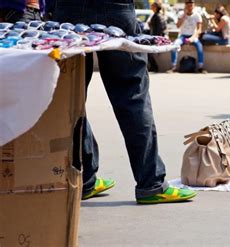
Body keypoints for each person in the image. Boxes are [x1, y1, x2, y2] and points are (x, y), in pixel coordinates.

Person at [51, 0, 197, 204]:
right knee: (132, 95)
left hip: (69, 10)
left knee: (70, 99)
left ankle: (84, 177)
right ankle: (150, 183)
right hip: (115, 9)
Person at [168, 0, 206, 73]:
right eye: (188, 5)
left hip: (193, 36)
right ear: (185, 6)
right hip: (183, 36)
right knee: (174, 45)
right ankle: (173, 67)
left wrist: (192, 38)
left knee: (200, 46)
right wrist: (184, 15)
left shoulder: (197, 15)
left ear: (194, 6)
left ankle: (201, 67)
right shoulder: (181, 14)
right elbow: (178, 26)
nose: (190, 7)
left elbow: (199, 30)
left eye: (191, 5)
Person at [147, 1, 167, 72]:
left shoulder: (158, 16)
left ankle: (154, 67)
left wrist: (155, 39)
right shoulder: (156, 15)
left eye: (152, 5)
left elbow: (160, 29)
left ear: (155, 7)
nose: (151, 6)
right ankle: (153, 67)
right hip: (155, 36)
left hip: (157, 38)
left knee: (148, 51)